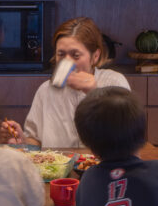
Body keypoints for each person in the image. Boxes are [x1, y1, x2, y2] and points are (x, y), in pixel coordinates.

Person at [10, 17, 130, 149]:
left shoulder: (114, 82)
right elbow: (35, 141)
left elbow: (126, 136)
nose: (66, 63)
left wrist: (93, 93)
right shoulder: (45, 90)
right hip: (59, 162)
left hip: (103, 161)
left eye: (76, 55)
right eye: (61, 54)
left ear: (95, 56)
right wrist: (23, 141)